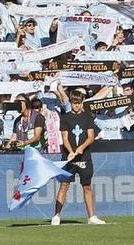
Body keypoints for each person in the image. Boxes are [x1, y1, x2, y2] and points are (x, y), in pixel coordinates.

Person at [50, 89, 105, 227]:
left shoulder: (88, 117)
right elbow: (65, 138)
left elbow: (91, 137)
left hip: (85, 158)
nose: (76, 105)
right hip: (69, 157)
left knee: (87, 186)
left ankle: (92, 216)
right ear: (70, 102)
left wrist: (81, 148)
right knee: (64, 185)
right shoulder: (65, 117)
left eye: (79, 103)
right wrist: (70, 151)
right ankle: (56, 216)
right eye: (74, 103)